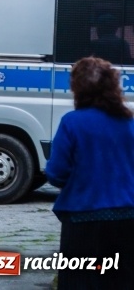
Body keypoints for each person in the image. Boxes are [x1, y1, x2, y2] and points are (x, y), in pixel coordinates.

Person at [45, 56, 134, 289]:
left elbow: (56, 172)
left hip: (82, 220)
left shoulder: (72, 123)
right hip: (127, 219)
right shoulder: (129, 123)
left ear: (77, 88)